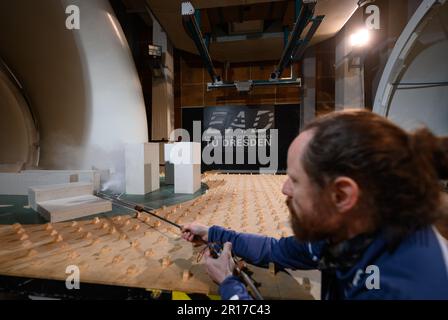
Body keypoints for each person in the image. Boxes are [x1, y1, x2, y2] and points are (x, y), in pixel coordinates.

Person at [182, 110, 448, 300]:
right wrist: (212, 233)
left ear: (342, 195)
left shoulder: (401, 288)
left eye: (295, 180)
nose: (284, 188)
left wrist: (230, 287)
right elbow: (275, 250)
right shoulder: (348, 230)